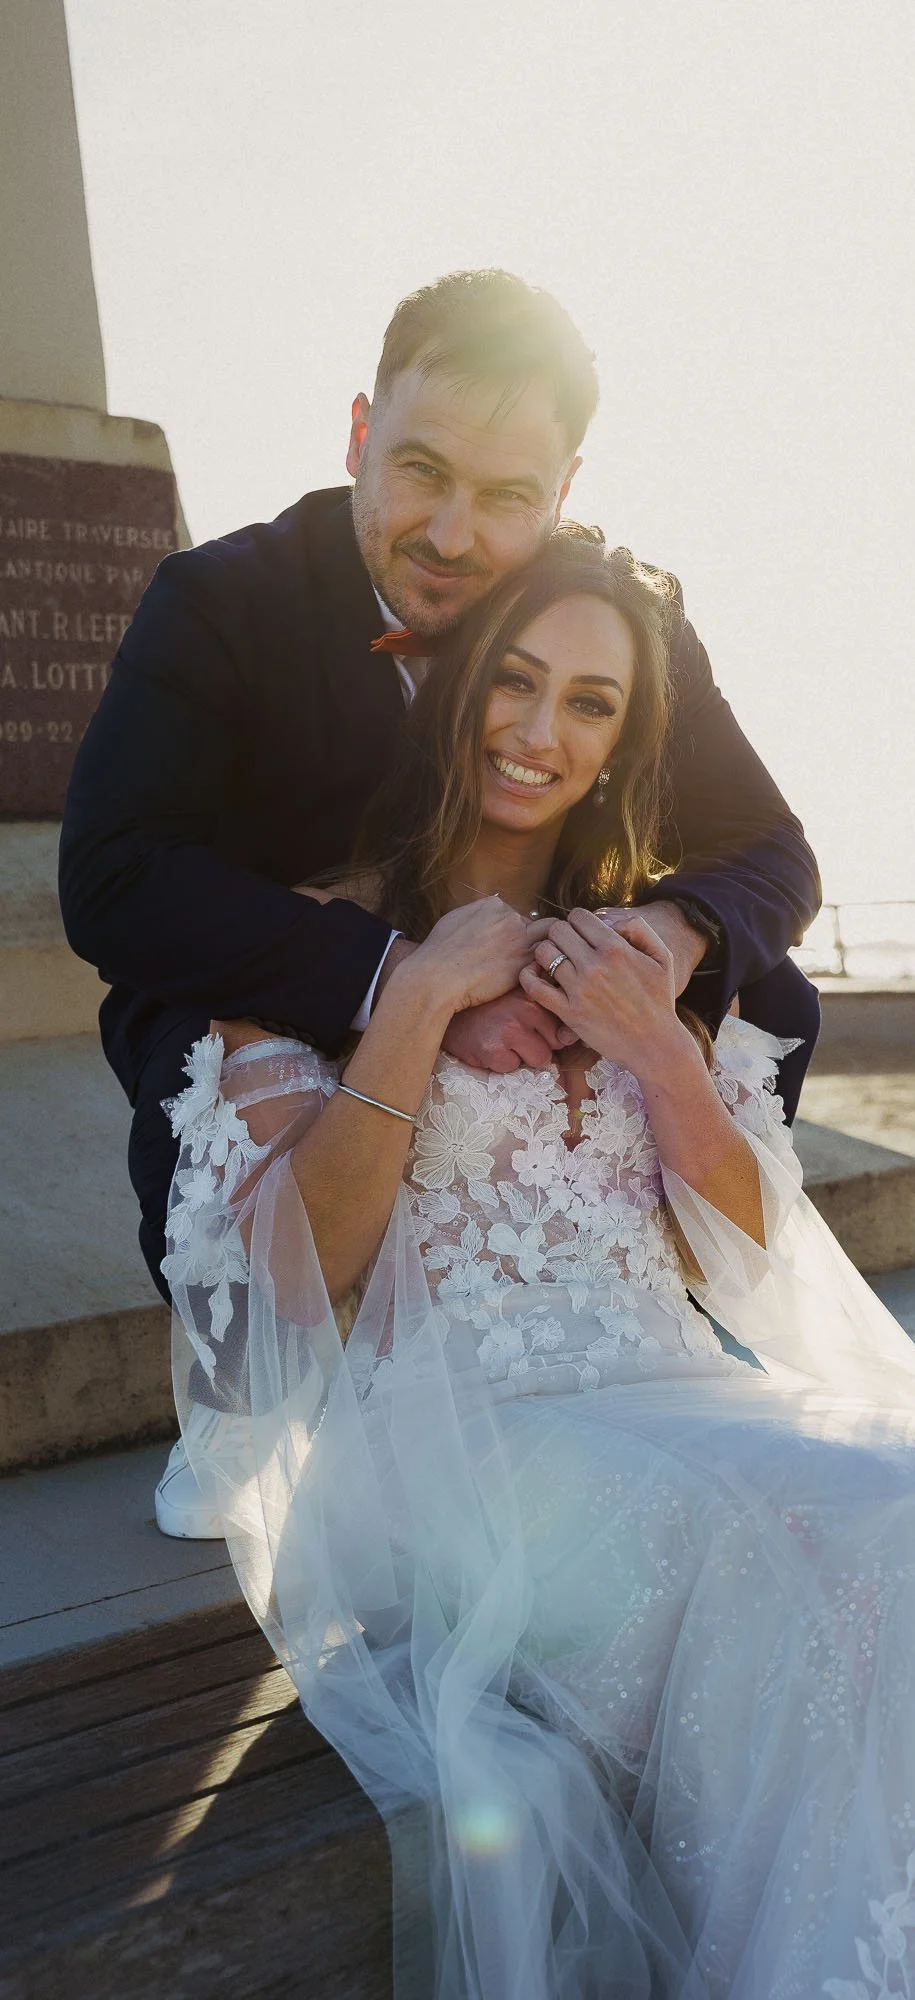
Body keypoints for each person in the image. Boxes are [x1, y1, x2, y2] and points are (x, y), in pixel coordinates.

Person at [165, 529, 915, 2000]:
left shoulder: (651, 947)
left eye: (591, 704)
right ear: (452, 684)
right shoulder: (310, 943)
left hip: (676, 1392)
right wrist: (412, 1003)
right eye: (516, 682)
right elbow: (278, 1290)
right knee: (824, 1539)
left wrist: (660, 1048)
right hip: (455, 1445)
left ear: (623, 744)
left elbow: (752, 1252)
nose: (541, 732)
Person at [58, 268, 821, 1538]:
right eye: (420, 471)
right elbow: (117, 876)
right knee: (192, 1020)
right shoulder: (218, 602)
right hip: (290, 979)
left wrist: (653, 943)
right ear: (360, 435)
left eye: (507, 496)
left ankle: (659, 1297)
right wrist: (405, 978)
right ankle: (249, 1385)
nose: (455, 534)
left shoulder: (614, 619)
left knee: (766, 984)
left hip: (535, 969)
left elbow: (771, 847)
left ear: (565, 492)